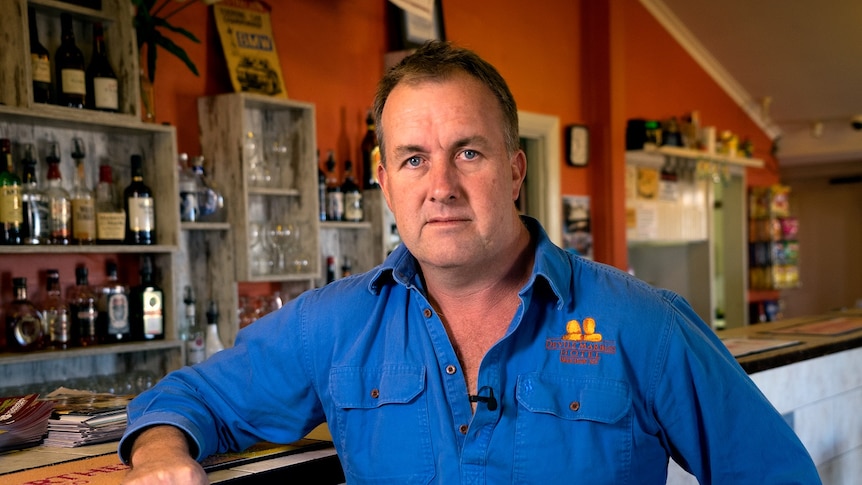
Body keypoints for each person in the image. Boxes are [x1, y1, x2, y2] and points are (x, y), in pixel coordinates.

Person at [119, 41, 821, 484]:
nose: (442, 185)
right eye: (414, 159)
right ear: (385, 181)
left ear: (515, 171)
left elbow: (776, 473)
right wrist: (156, 454)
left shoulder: (643, 324)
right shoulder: (334, 326)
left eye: (469, 152)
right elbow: (188, 398)